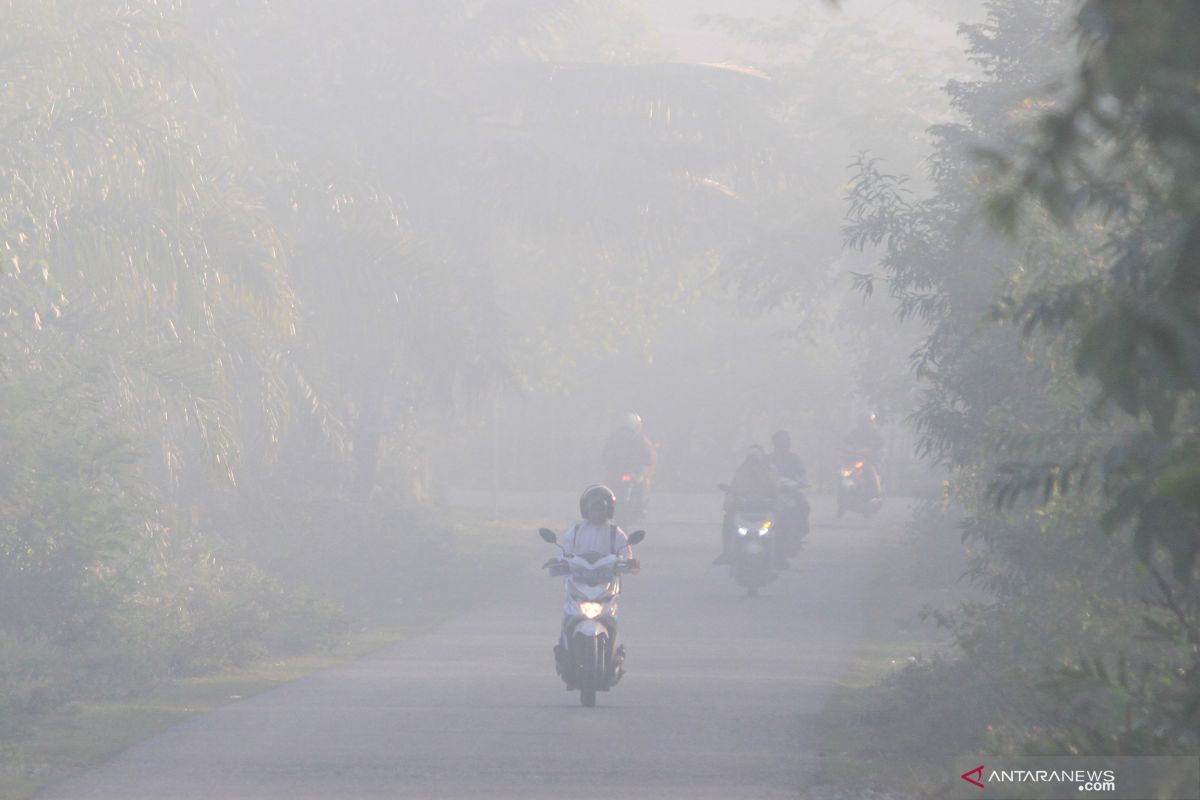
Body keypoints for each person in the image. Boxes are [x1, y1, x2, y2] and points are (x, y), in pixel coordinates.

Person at [553, 484, 638, 676]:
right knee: (568, 615)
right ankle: (563, 651)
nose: (597, 512)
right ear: (585, 509)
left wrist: (630, 563)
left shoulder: (615, 533)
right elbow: (563, 553)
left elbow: (626, 554)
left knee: (611, 616)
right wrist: (557, 562)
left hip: (605, 587)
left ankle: (615, 654)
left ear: (609, 510)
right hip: (579, 586)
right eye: (593, 508)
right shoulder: (575, 532)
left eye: (601, 508)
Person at [714, 445, 782, 566]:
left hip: (764, 508)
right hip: (743, 508)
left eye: (756, 459)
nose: (753, 462)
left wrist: (776, 501)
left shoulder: (768, 472)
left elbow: (775, 490)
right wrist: (730, 502)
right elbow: (733, 489)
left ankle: (779, 554)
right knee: (727, 520)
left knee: (781, 522)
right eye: (751, 458)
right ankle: (727, 553)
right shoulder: (740, 472)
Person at [767, 429, 811, 547]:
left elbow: (803, 473)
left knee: (804, 505)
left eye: (787, 441)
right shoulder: (768, 459)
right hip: (772, 492)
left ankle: (799, 533)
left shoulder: (795, 458)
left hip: (791, 491)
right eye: (782, 441)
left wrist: (803, 482)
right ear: (775, 443)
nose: (785, 444)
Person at [601, 412, 656, 488]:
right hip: (633, 471)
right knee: (643, 482)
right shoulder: (640, 439)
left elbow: (604, 454)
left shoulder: (614, 438)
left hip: (618, 472)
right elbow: (647, 456)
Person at [843, 413, 884, 496]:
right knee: (844, 472)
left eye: (866, 422)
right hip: (855, 459)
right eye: (862, 422)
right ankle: (846, 493)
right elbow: (846, 442)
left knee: (873, 471)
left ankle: (877, 492)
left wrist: (873, 450)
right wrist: (846, 450)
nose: (864, 424)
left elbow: (880, 443)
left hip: (870, 460)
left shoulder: (874, 433)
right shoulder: (854, 432)